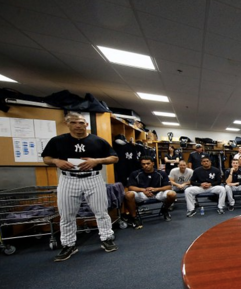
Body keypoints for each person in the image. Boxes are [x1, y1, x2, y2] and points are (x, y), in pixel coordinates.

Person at [41, 112, 119, 261]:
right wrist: (56, 162)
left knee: (101, 211)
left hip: (93, 178)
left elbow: (114, 157)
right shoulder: (58, 141)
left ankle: (107, 238)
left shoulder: (98, 141)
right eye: (74, 122)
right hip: (68, 179)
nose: (78, 125)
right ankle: (69, 244)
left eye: (81, 122)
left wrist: (97, 161)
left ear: (86, 124)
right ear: (67, 123)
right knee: (66, 214)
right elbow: (46, 158)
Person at [123, 156, 176, 227]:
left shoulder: (161, 173)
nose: (146, 166)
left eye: (148, 163)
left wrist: (156, 189)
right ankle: (134, 217)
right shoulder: (135, 173)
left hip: (157, 193)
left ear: (153, 163)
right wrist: (143, 190)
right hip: (142, 194)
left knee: (172, 194)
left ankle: (165, 210)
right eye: (143, 164)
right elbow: (130, 187)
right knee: (128, 195)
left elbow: (169, 186)